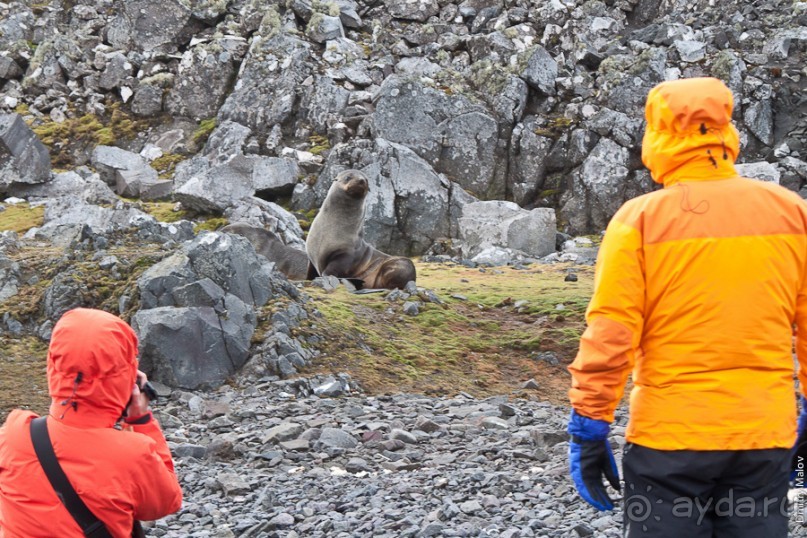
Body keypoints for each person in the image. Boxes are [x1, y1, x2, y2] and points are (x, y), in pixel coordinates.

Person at [566, 76, 807, 537]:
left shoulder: (638, 220)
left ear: (657, 137)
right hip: (765, 435)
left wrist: (589, 425)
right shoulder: (792, 212)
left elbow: (611, 332)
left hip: (669, 441)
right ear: (725, 130)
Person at [0, 308, 183, 537]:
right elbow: (167, 502)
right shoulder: (134, 454)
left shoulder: (13, 433)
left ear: (54, 365)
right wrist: (140, 418)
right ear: (125, 376)